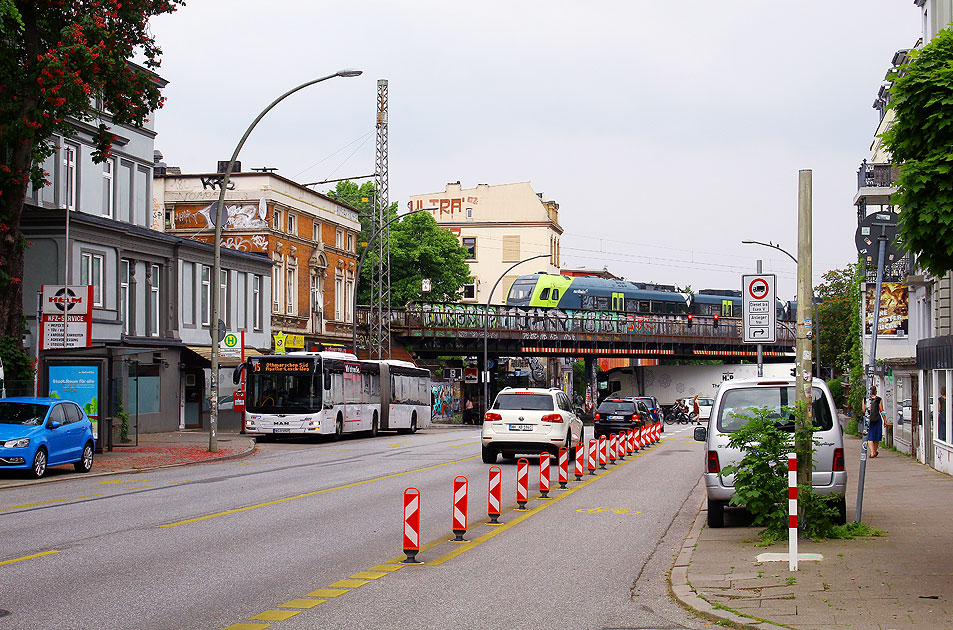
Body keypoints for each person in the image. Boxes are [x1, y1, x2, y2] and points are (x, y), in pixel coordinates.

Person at [863, 385, 885, 458]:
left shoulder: (865, 399)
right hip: (877, 419)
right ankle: (874, 451)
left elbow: (863, 410)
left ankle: (872, 452)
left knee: (870, 437)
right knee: (876, 437)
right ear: (875, 391)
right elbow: (882, 410)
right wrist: (885, 420)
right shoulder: (879, 399)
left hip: (868, 420)